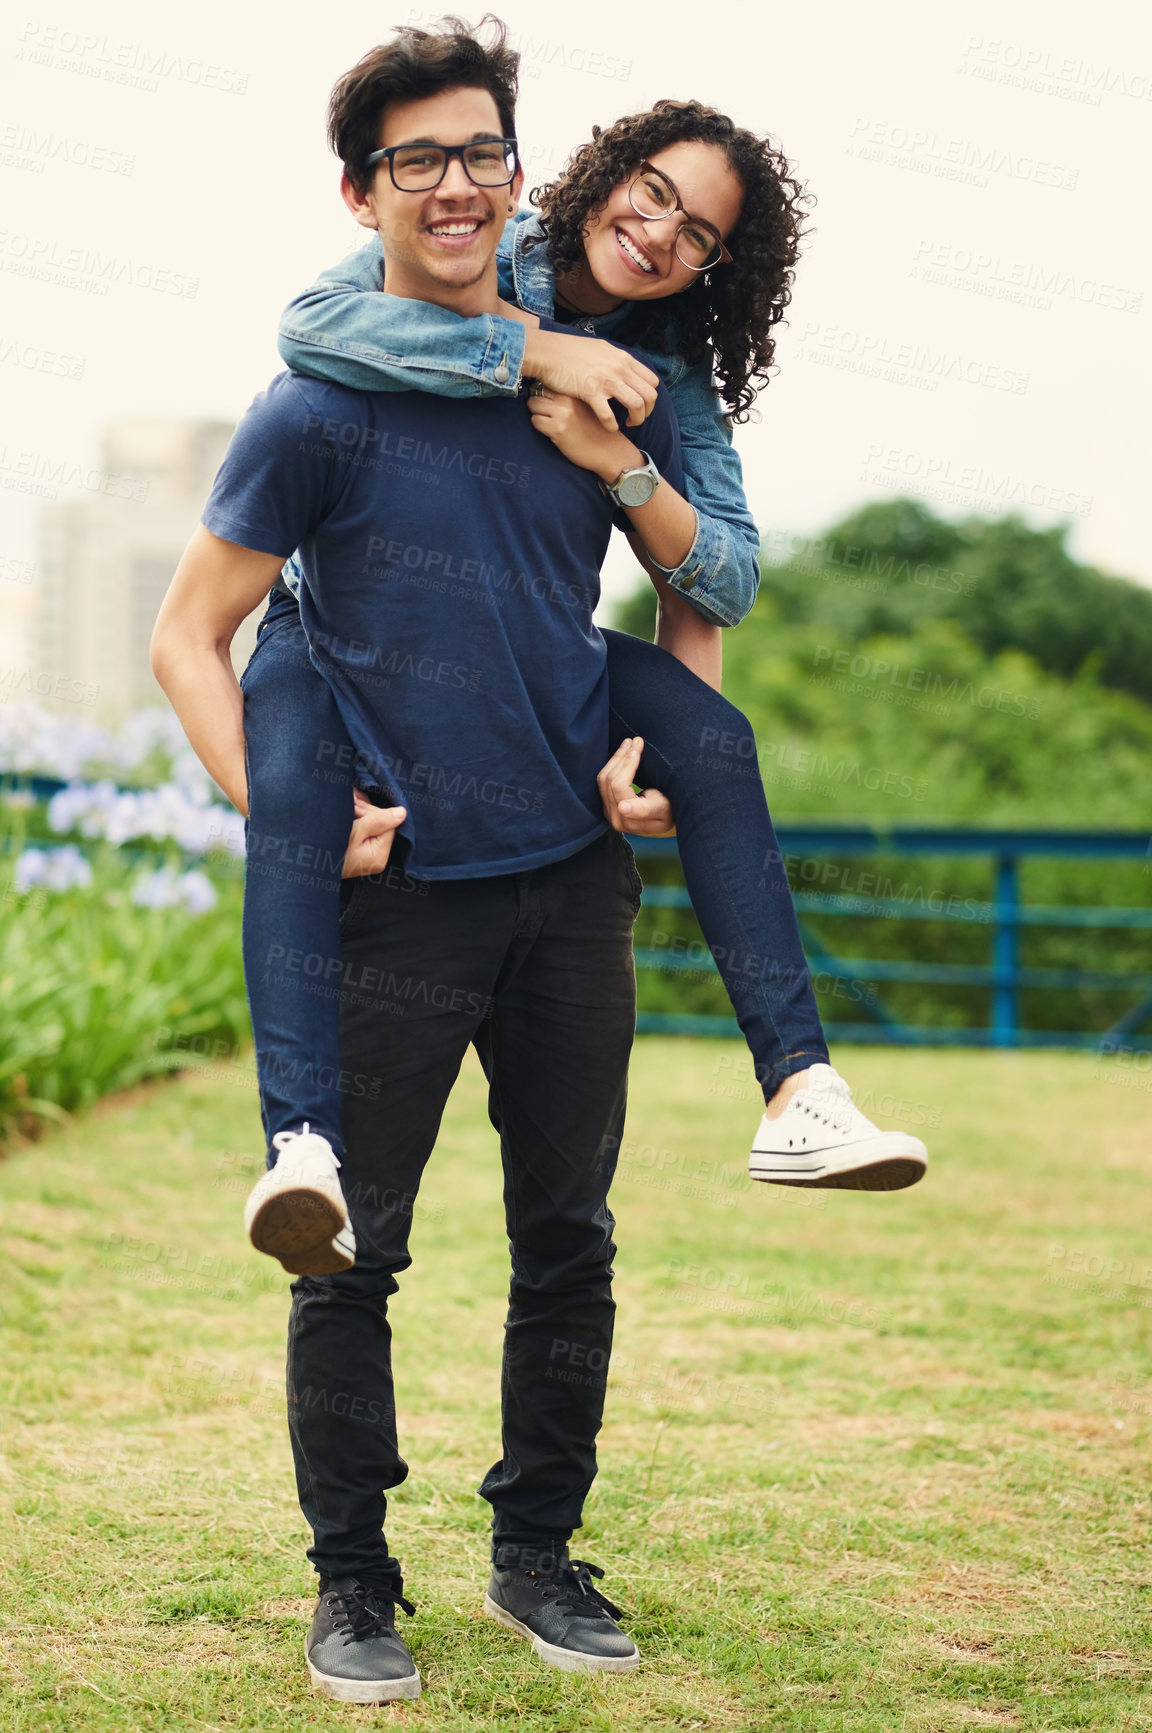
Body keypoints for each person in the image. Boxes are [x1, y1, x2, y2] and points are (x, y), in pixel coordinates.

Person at [151, 19, 703, 1700]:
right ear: (360, 193)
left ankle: (537, 1550)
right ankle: (352, 1583)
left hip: (567, 882)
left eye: (479, 154)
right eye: (417, 161)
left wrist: (662, 750)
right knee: (344, 1244)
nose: (454, 185)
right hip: (393, 900)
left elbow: (694, 590)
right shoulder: (311, 408)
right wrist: (287, 810)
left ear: (516, 178)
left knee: (571, 1233)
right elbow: (191, 633)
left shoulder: (586, 391)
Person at [253, 42, 929, 1235]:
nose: (664, 232)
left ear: (719, 266)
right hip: (346, 626)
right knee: (292, 806)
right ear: (608, 170)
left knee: (717, 743)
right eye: (655, 191)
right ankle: (297, 1139)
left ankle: (799, 1090)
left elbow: (716, 574)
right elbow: (313, 324)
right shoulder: (484, 241)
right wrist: (538, 350)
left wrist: (618, 464)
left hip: (540, 656)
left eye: (701, 234)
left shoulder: (671, 381)